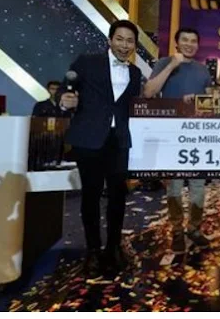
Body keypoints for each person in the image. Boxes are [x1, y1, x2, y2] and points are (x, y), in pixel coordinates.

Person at [59, 20, 142, 276]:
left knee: (118, 196)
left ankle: (113, 247)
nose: (124, 45)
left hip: (119, 141)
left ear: (134, 45)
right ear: (110, 40)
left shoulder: (135, 73)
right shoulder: (87, 62)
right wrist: (64, 100)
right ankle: (93, 251)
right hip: (90, 139)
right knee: (91, 196)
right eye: (120, 39)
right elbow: (65, 88)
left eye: (129, 41)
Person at [143, 28, 211, 253]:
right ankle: (177, 230)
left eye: (193, 41)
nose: (189, 44)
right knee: (174, 187)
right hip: (171, 135)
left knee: (198, 188)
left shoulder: (203, 70)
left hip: (197, 136)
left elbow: (210, 102)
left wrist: (198, 100)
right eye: (185, 40)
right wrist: (172, 65)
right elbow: (149, 92)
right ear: (177, 43)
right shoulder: (164, 63)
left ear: (197, 45)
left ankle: (194, 228)